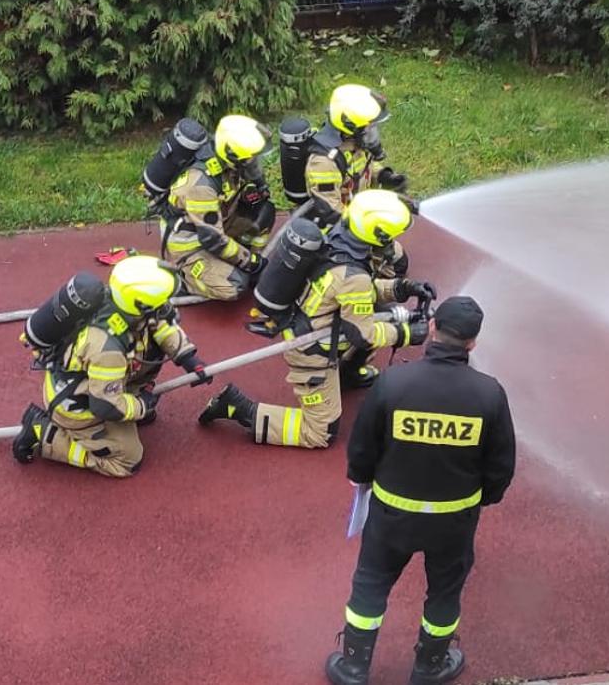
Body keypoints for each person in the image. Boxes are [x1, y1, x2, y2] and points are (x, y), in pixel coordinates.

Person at [324, 296, 516, 685]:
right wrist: (482, 498)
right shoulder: (489, 394)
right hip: (454, 520)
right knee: (444, 592)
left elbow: (362, 446)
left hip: (391, 515)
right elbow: (501, 466)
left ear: (431, 328)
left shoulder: (392, 383)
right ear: (472, 342)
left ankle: (354, 666)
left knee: (371, 582)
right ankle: (430, 665)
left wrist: (361, 477)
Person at [197, 190, 436, 448]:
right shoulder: (354, 275)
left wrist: (401, 288)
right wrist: (406, 334)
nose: (392, 243)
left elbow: (355, 290)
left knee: (377, 313)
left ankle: (349, 374)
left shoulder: (339, 239)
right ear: (378, 234)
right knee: (320, 433)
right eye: (390, 237)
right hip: (312, 353)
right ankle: (237, 408)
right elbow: (363, 334)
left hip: (317, 326)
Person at [12, 256, 210, 477]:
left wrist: (187, 356)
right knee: (128, 460)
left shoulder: (124, 304)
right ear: (142, 304)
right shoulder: (108, 349)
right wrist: (141, 405)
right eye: (161, 301)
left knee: (150, 346)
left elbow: (160, 323)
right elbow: (105, 406)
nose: (167, 306)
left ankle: (127, 407)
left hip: (100, 385)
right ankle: (44, 433)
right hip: (78, 406)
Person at [301, 84, 414, 282]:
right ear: (351, 126)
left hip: (358, 216)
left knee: (399, 263)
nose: (373, 131)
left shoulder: (356, 143)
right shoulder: (324, 163)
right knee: (367, 277)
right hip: (337, 230)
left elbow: (363, 167)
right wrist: (371, 225)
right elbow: (331, 212)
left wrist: (384, 176)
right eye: (369, 126)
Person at [163, 114, 274, 300]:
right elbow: (213, 239)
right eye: (250, 159)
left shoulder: (230, 163)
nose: (254, 163)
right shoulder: (201, 185)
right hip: (192, 245)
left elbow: (232, 190)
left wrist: (253, 190)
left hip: (217, 223)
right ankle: (184, 280)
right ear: (233, 157)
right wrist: (251, 263)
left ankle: (240, 259)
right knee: (235, 285)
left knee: (264, 211)